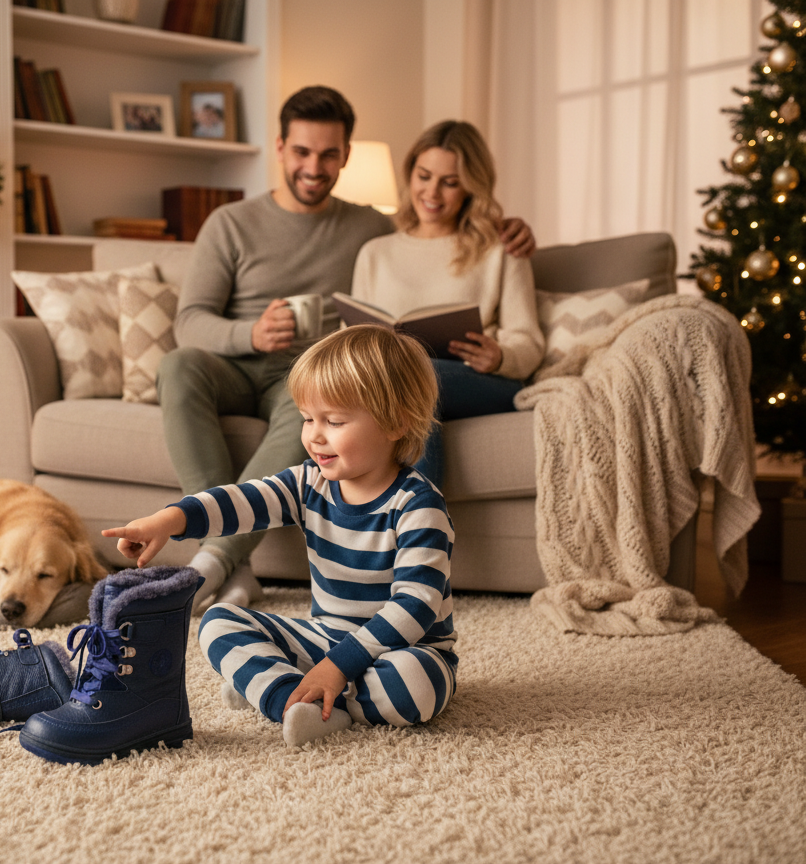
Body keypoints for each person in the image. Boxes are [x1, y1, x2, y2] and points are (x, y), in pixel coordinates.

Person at [158, 86, 534, 612]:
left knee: (317, 406)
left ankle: (222, 562)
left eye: (329, 154)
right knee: (178, 367)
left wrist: (509, 227)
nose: (314, 166)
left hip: (308, 377)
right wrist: (250, 333)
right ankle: (229, 558)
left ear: (346, 157)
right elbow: (189, 321)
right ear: (281, 148)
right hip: (231, 366)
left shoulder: (369, 227)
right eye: (303, 152)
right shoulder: (231, 223)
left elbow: (431, 234)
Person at [104, 325, 455, 747]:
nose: (314, 435)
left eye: (335, 421)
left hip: (407, 649)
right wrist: (168, 520)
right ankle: (295, 697)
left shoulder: (419, 506)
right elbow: (239, 502)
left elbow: (415, 608)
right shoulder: (309, 483)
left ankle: (287, 690)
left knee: (416, 687)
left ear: (396, 422)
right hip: (325, 636)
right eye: (308, 419)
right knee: (217, 623)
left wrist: (338, 667)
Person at [350, 120, 545, 488]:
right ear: (410, 174)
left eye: (450, 182)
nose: (432, 192)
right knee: (406, 389)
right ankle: (412, 539)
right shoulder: (375, 254)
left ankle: (414, 533)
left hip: (479, 380)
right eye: (424, 176)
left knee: (420, 375)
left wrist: (500, 356)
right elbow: (354, 337)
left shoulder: (501, 249)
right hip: (398, 383)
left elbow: (529, 343)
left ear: (470, 187)